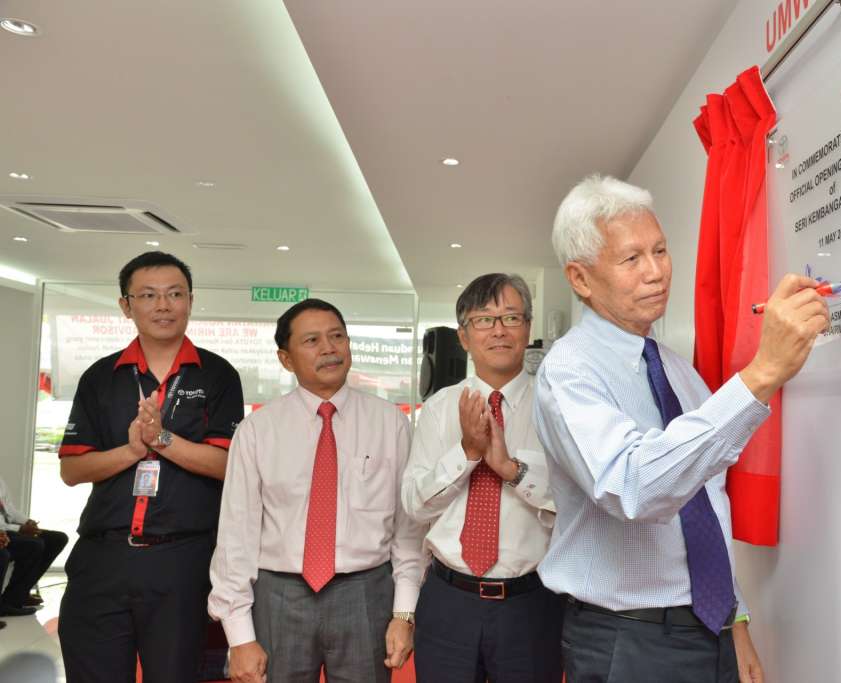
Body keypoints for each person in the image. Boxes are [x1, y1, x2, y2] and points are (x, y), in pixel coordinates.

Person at [534, 175, 829, 683]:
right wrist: (761, 375)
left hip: (708, 630)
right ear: (580, 279)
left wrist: (735, 620)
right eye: (632, 260)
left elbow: (708, 501)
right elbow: (634, 486)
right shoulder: (568, 371)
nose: (656, 272)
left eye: (661, 250)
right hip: (628, 641)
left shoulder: (675, 369)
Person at [209, 298, 428, 683]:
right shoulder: (259, 430)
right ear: (286, 358)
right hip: (279, 597)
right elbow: (236, 535)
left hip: (366, 594)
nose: (329, 348)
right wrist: (239, 636)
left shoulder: (390, 423)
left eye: (337, 336)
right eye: (312, 340)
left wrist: (404, 613)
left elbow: (408, 530)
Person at [57, 251, 244, 683]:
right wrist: (130, 450)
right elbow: (72, 470)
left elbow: (227, 465)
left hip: (183, 560)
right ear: (126, 305)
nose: (164, 305)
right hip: (102, 558)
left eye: (175, 294)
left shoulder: (217, 375)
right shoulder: (100, 377)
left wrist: (162, 440)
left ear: (190, 301)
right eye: (149, 295)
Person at [402, 273, 561, 683]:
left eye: (511, 317)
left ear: (528, 329)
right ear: (464, 336)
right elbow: (414, 505)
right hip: (449, 600)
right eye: (484, 320)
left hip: (531, 602)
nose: (499, 330)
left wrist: (512, 469)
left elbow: (576, 504)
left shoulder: (557, 408)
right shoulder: (438, 409)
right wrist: (468, 454)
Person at [0, 474, 68, 615]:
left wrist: (27, 521)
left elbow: (9, 508)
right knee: (34, 545)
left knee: (57, 539)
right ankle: (11, 600)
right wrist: (20, 529)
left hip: (9, 527)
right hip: (4, 530)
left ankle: (21, 592)